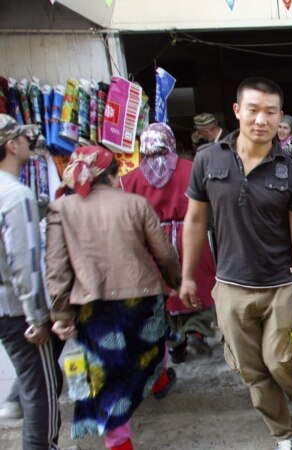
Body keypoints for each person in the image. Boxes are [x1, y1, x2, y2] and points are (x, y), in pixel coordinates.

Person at [178, 78, 292, 450]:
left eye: (271, 112)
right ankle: (284, 433)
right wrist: (187, 277)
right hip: (230, 284)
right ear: (237, 111)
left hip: (280, 283)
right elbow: (195, 221)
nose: (262, 119)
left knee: (278, 360)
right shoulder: (208, 160)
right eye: (254, 110)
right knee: (252, 371)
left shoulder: (291, 171)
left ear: (279, 118)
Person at [47, 145, 182, 450]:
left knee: (109, 374)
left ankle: (119, 443)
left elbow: (57, 266)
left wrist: (62, 314)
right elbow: (163, 252)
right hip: (142, 298)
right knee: (152, 344)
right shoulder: (135, 203)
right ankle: (158, 380)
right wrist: (175, 282)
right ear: (113, 174)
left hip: (93, 308)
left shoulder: (61, 209)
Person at [120, 123, 217, 364]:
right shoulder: (191, 168)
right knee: (199, 283)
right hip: (190, 236)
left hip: (153, 242)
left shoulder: (129, 179)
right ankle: (196, 330)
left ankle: (174, 341)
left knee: (164, 291)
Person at [0, 114, 64, 449]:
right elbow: (22, 263)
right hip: (16, 310)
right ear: (12, 145)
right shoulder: (15, 194)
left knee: (33, 382)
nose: (29, 144)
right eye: (24, 139)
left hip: (4, 309)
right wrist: (35, 317)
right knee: (42, 390)